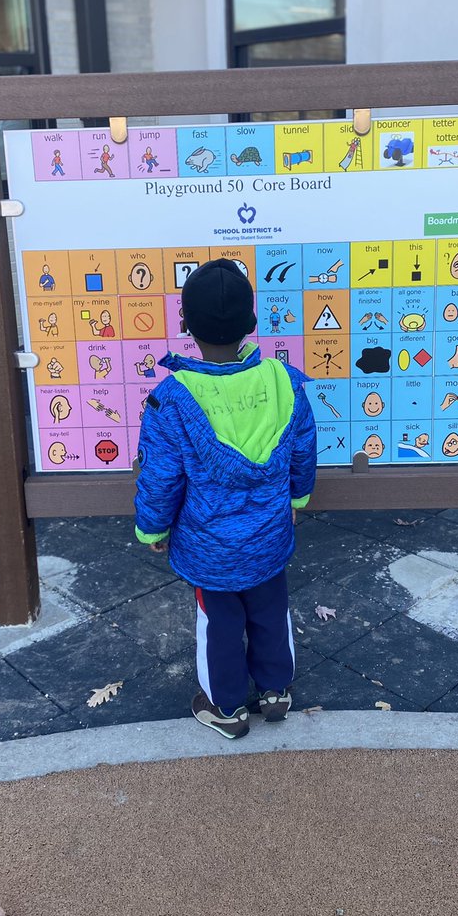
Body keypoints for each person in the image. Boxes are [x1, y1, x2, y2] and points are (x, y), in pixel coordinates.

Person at [134, 259, 316, 739]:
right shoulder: (284, 381)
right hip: (269, 536)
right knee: (271, 609)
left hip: (207, 544)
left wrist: (153, 528)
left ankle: (227, 708)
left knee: (219, 623)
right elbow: (303, 452)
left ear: (185, 324)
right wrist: (297, 503)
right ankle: (276, 691)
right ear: (252, 325)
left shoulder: (171, 399)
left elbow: (160, 476)